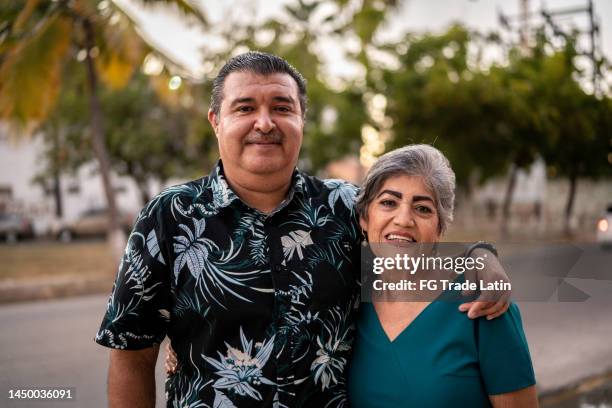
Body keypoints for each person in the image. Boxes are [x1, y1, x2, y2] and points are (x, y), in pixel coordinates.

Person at [96, 52, 509, 407]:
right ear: (215, 121)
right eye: (244, 108)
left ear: (301, 119)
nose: (264, 123)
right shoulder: (170, 216)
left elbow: (407, 256)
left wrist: (480, 256)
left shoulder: (346, 206)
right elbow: (132, 354)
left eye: (281, 107)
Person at [347, 145, 537, 407]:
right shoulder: (346, 300)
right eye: (388, 202)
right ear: (364, 219)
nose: (403, 220)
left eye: (423, 208)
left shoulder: (483, 303)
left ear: (440, 228)